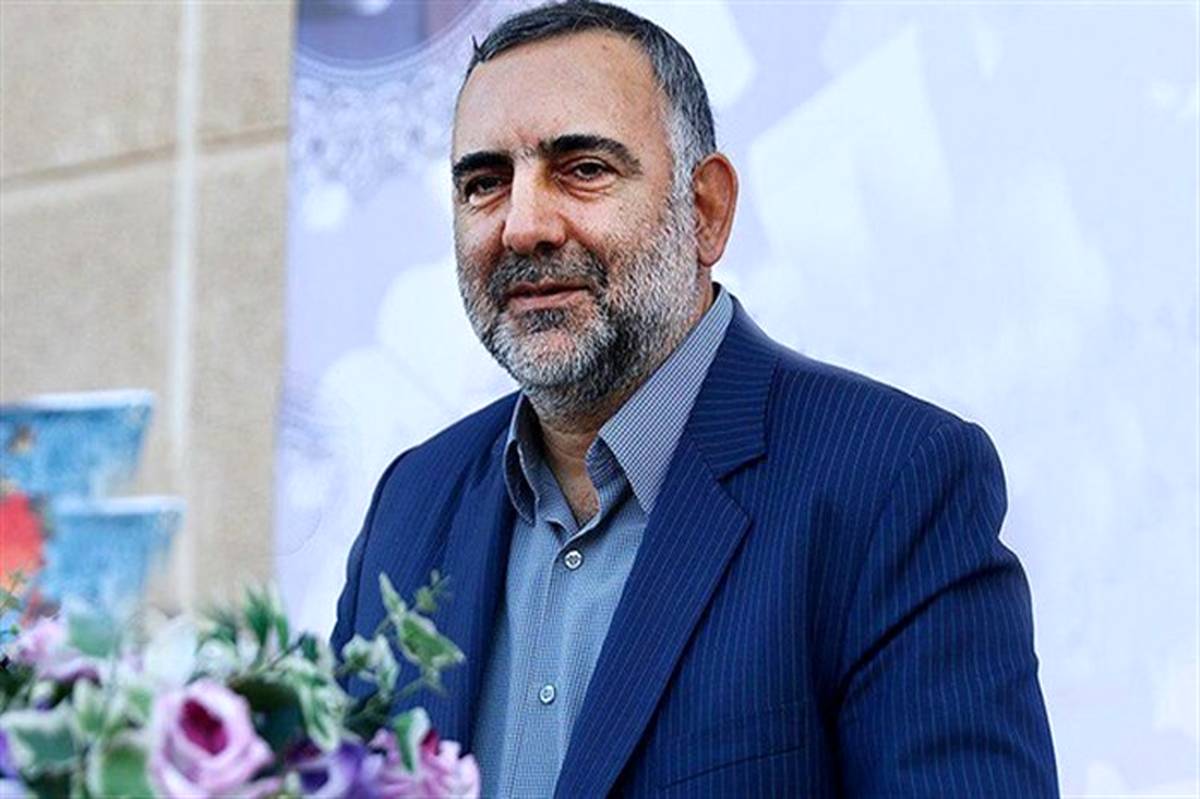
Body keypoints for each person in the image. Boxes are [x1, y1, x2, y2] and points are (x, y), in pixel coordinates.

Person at [332, 1, 1059, 796]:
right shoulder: (411, 505)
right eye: (484, 183)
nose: (524, 225)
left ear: (706, 211)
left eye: (583, 169)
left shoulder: (893, 483)